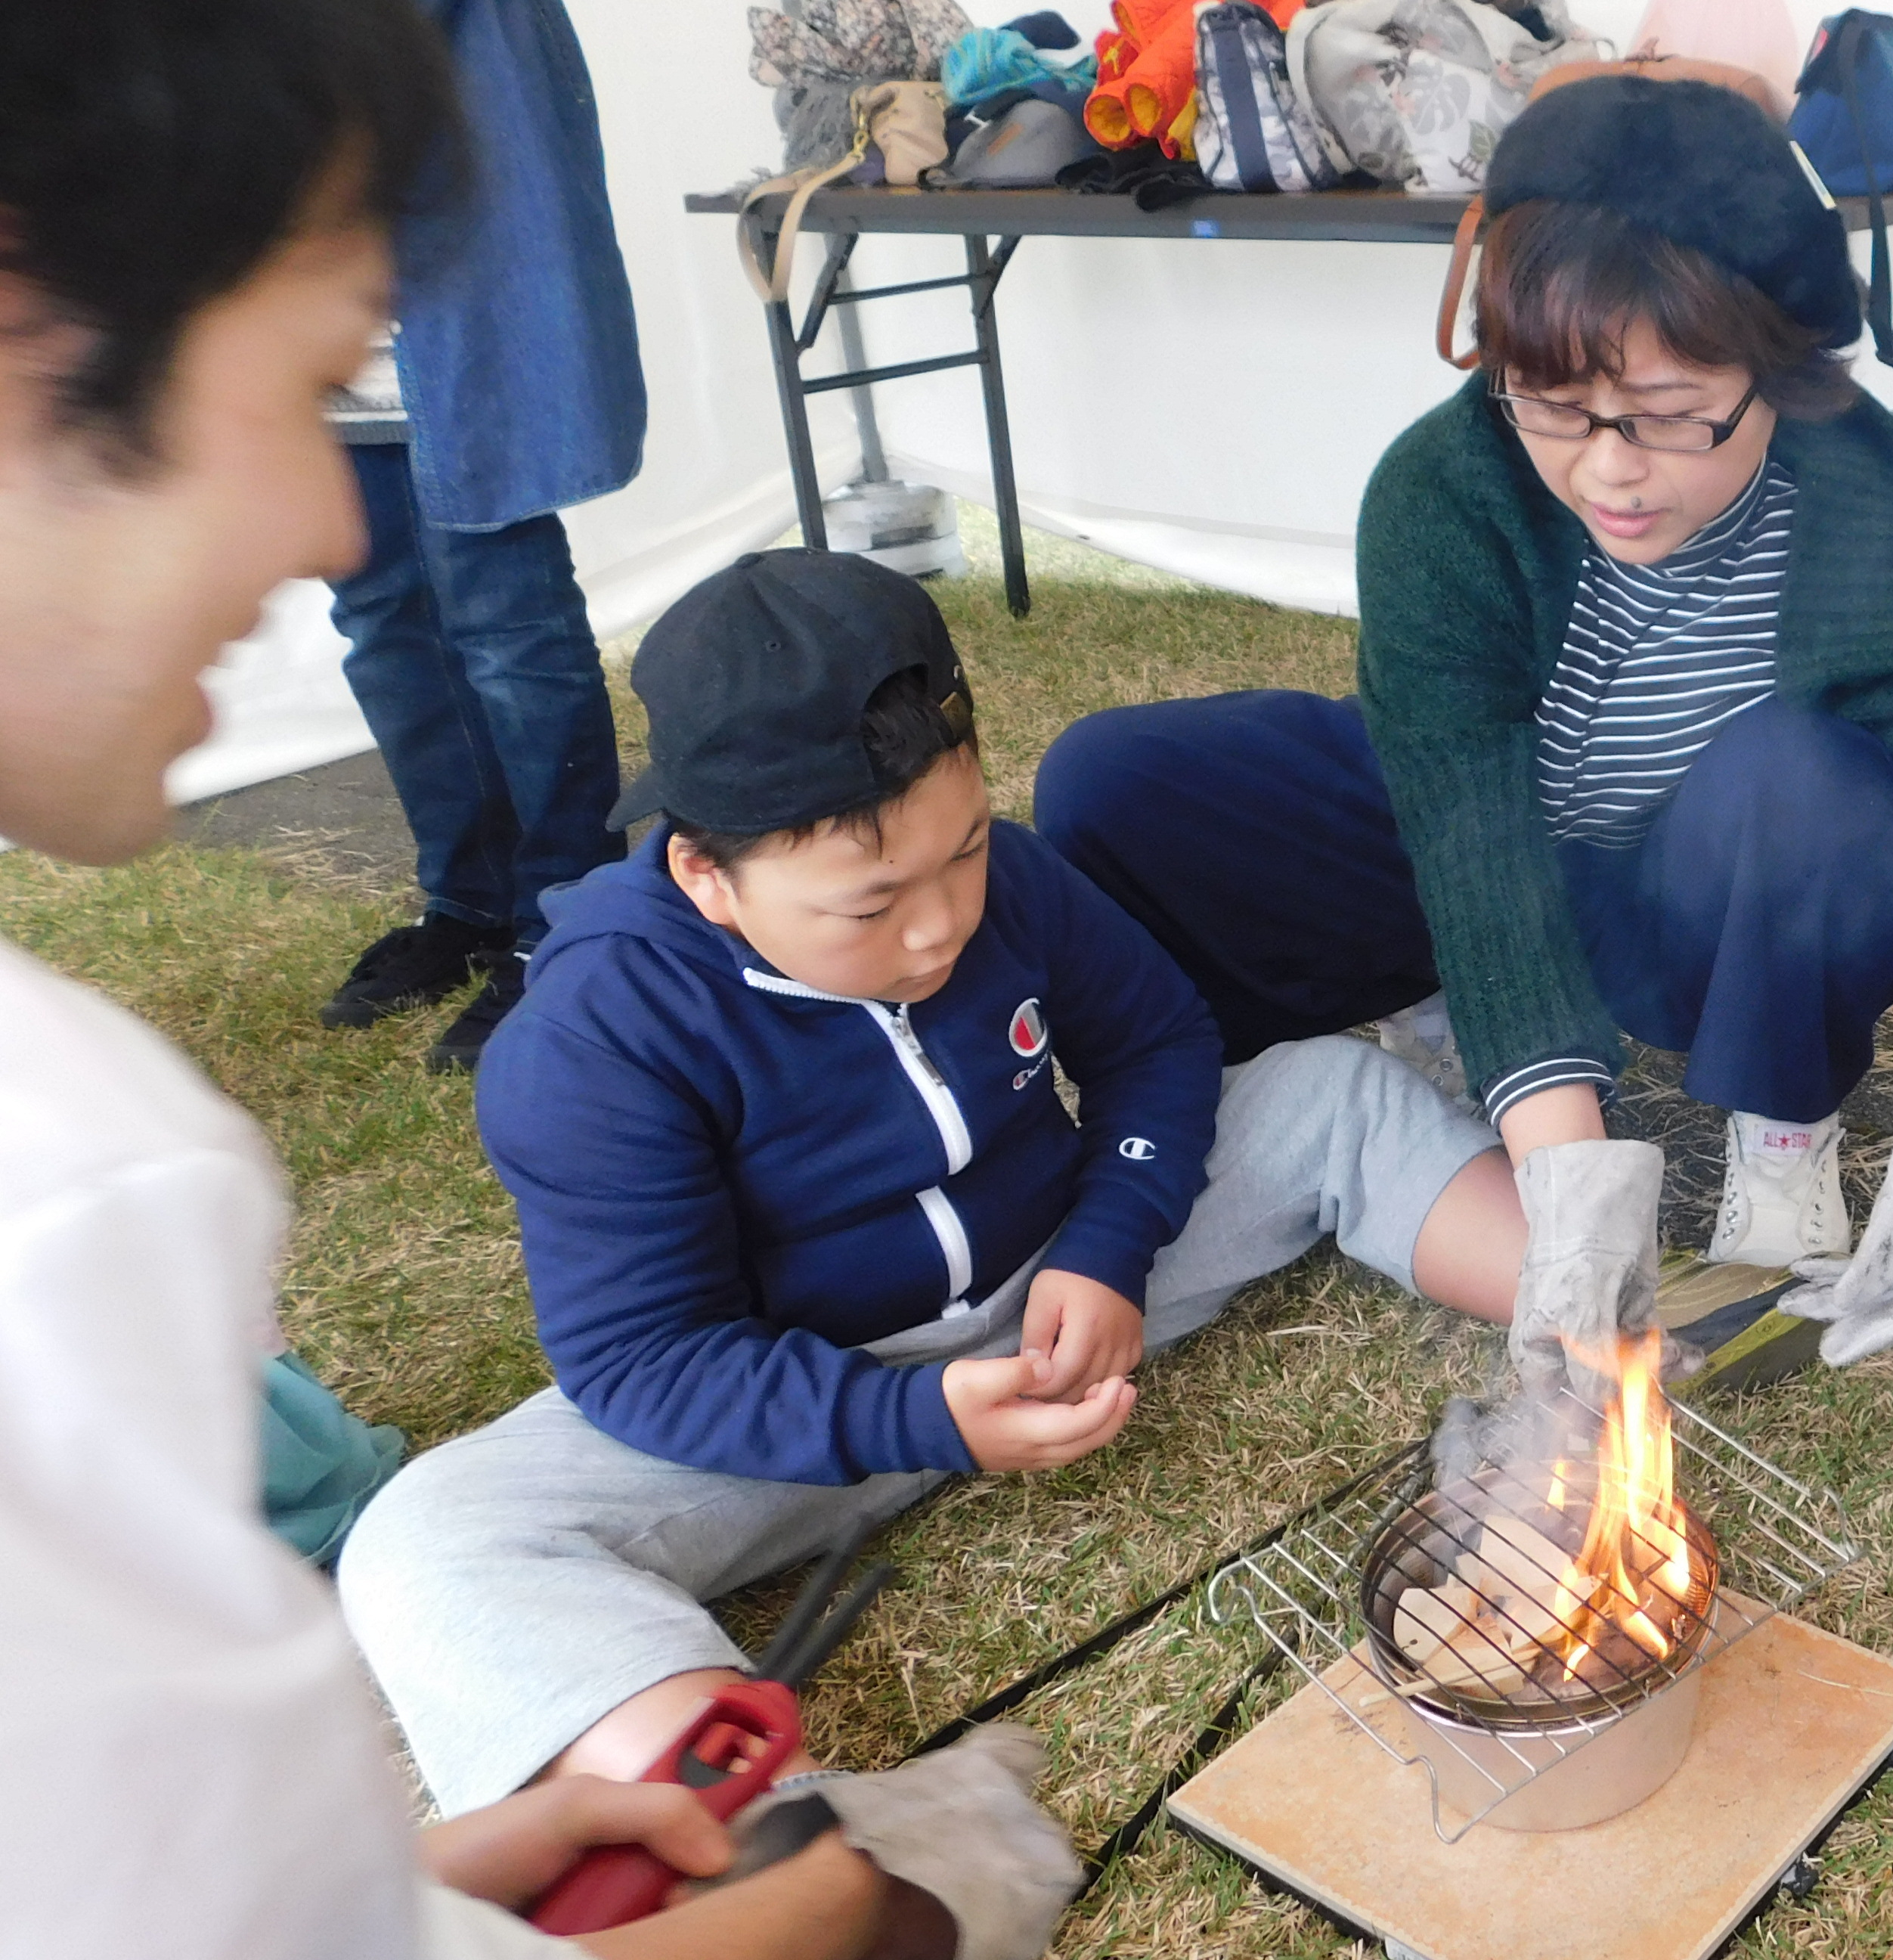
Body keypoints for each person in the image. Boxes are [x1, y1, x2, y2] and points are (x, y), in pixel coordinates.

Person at [0, 3, 1070, 1955]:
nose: (337, 520)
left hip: (963, 1338)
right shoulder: (73, 1184)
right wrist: (794, 1928)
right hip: (775, 1431)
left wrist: (405, 1893)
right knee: (442, 1541)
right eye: (313, 380)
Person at [336, 548, 1529, 1816]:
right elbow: (644, 1361)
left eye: (959, 853)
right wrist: (921, 1421)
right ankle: (791, 1859)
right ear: (707, 876)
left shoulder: (1000, 878)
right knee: (430, 1540)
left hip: (1060, 1280)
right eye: (867, 905)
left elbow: (1156, 1043)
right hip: (802, 1391)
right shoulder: (594, 1040)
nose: (938, 927)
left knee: (1324, 1090)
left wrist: (1109, 1238)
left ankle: (1601, 1316)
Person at [1029, 73, 1893, 1377]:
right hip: (1504, 824)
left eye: (1672, 412)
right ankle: (1461, 1038)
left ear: (1782, 372)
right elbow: (1467, 833)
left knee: (1814, 782)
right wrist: (1565, 1174)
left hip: (1688, 899)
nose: (1609, 469)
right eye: (1555, 403)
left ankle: (1784, 1120)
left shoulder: (1889, 539)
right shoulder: (1445, 491)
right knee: (1117, 784)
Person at [314, 0, 644, 1072]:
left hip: (460, 293)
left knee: (508, 625)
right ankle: (464, 906)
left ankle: (566, 923)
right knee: (382, 621)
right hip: (323, 310)